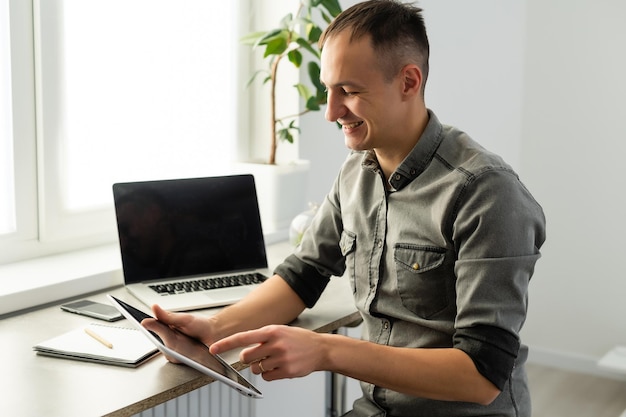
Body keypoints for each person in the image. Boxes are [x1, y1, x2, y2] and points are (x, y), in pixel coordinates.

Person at [143, 1, 546, 416]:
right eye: (328, 89)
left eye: (349, 92)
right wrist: (215, 328)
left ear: (408, 81)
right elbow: (304, 274)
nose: (332, 112)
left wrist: (325, 350)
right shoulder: (356, 172)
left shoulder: (487, 192)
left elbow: (480, 375)